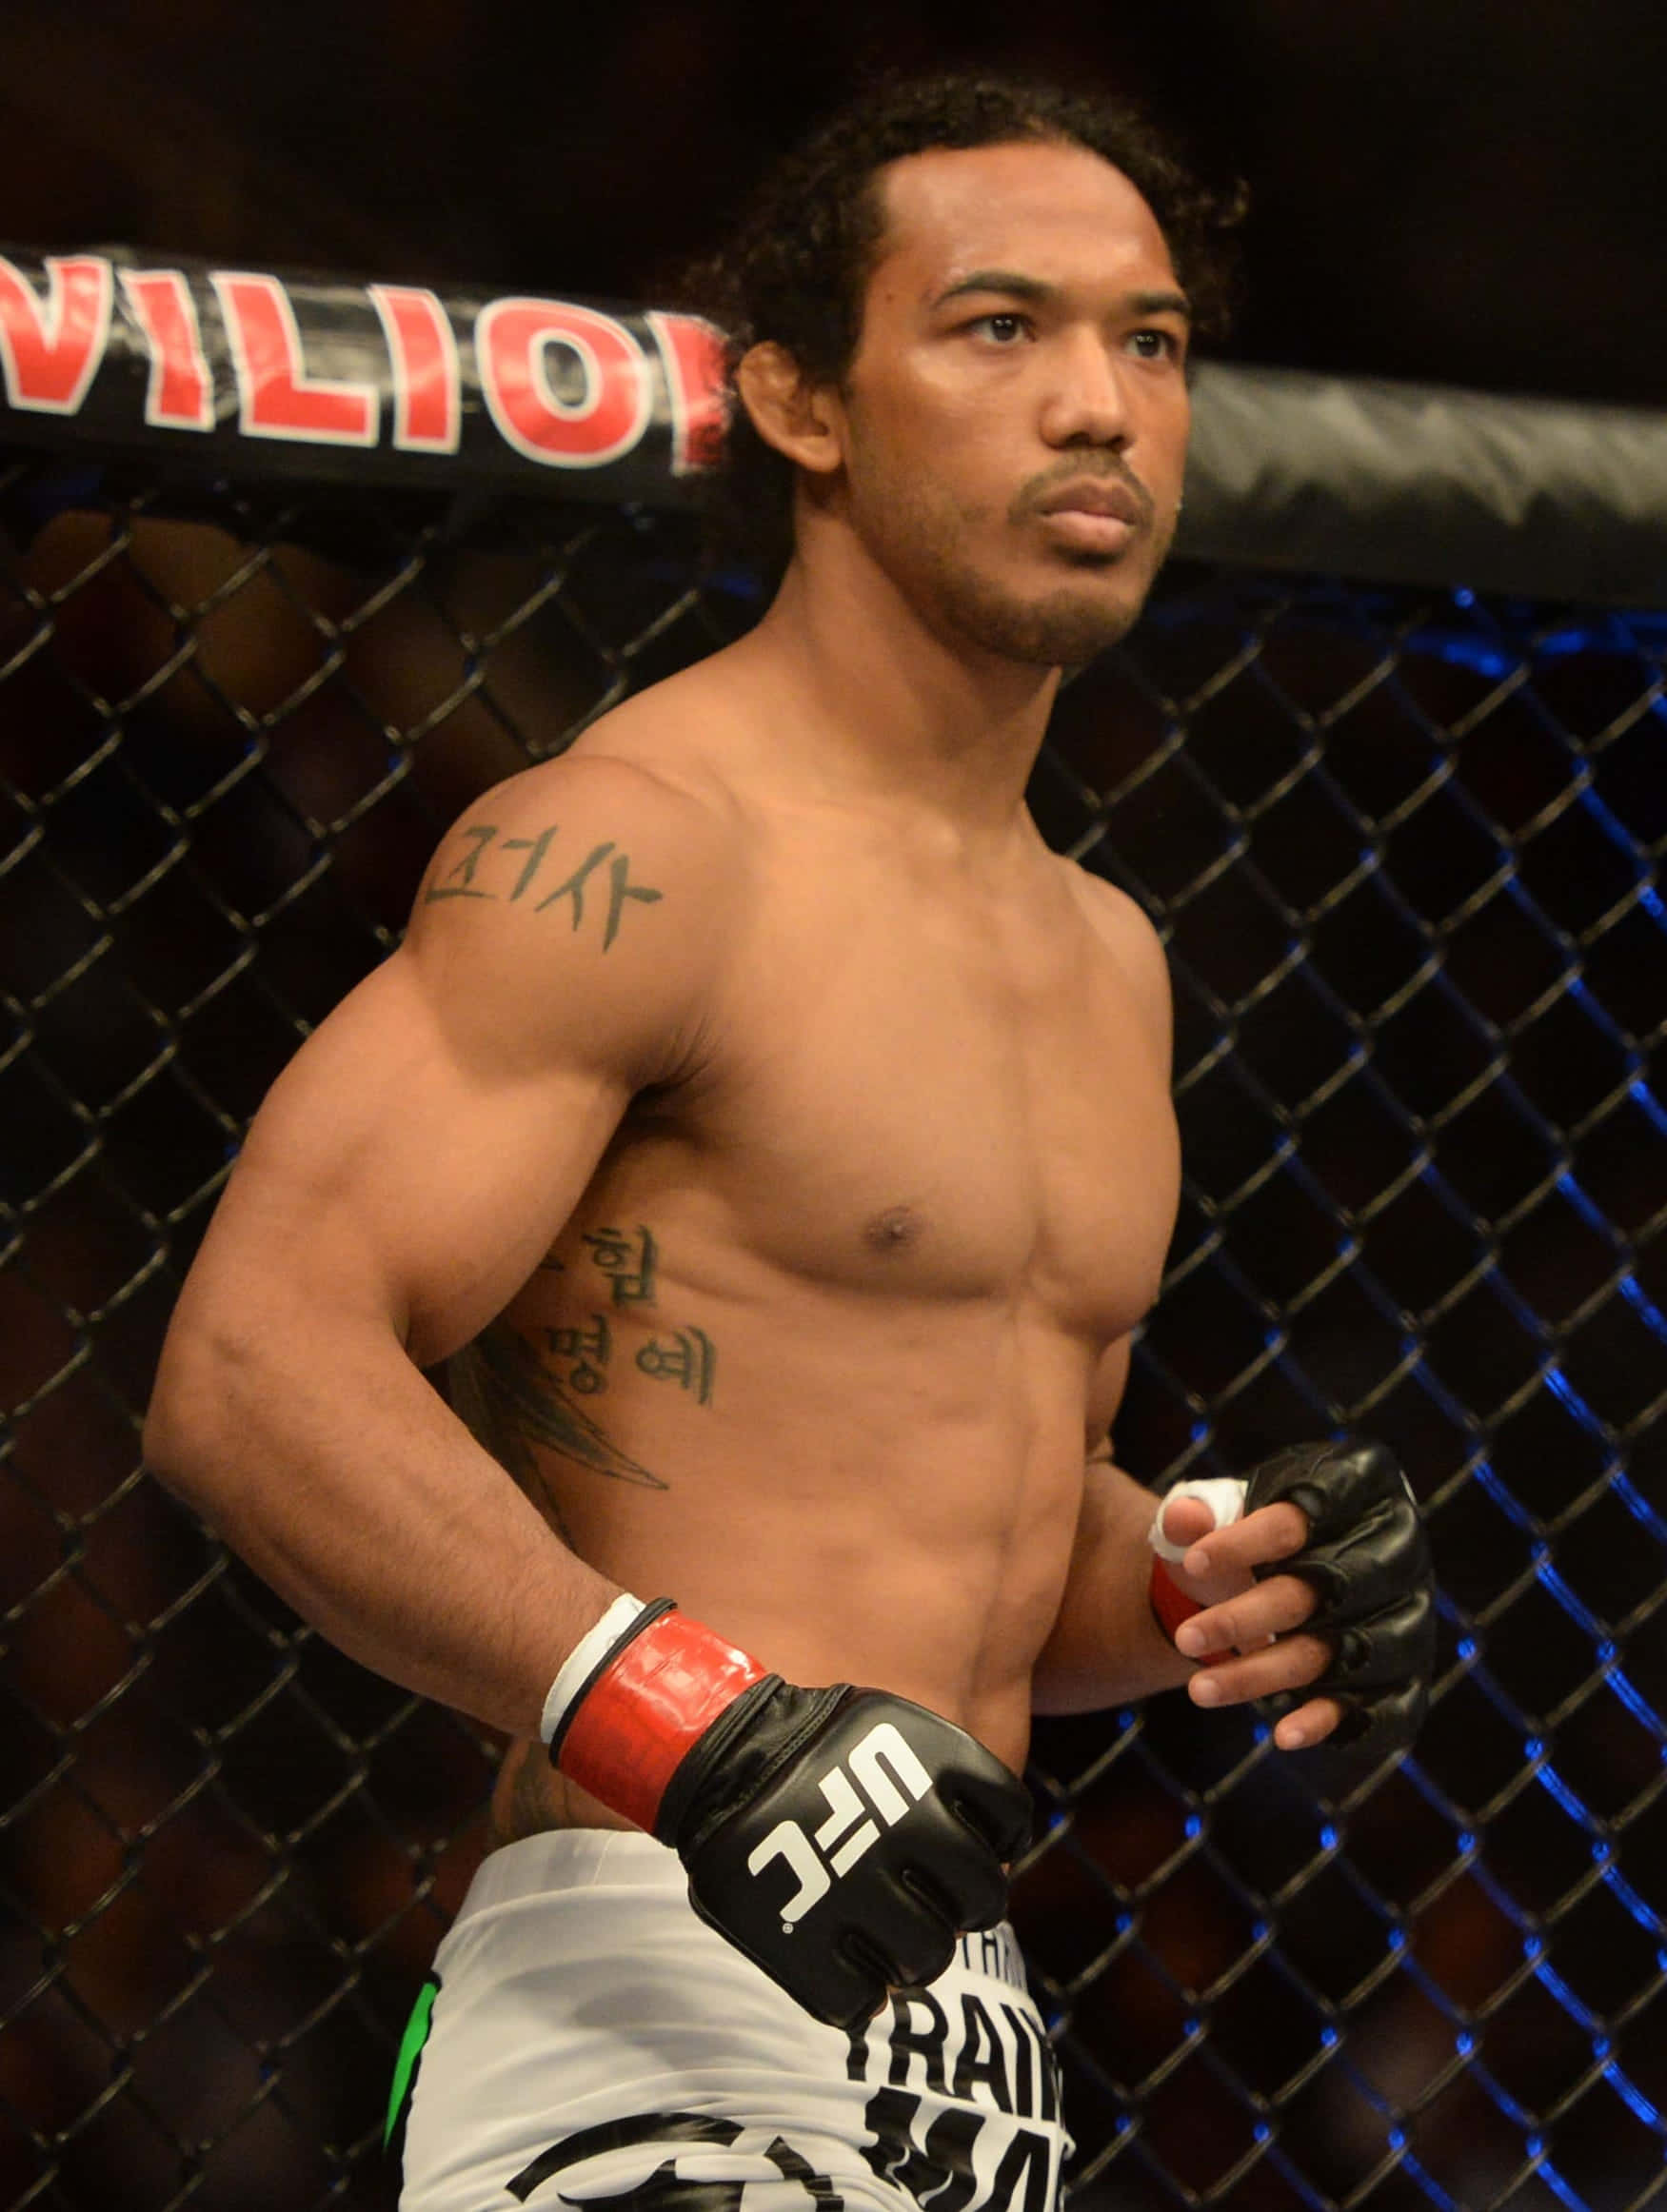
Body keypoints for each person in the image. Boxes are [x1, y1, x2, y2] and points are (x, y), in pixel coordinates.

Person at [143, 70, 1434, 2212]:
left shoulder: (1104, 955)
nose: (1099, 405)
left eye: (1150, 340)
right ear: (801, 402)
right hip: (649, 1973)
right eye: (1000, 327)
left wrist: (1211, 1575)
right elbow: (253, 1362)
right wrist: (685, 1720)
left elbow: (971, 1544)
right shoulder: (645, 847)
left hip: (969, 2024)